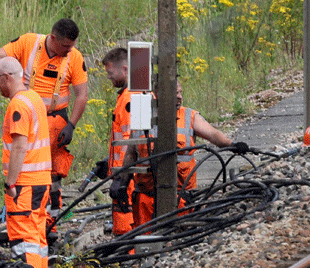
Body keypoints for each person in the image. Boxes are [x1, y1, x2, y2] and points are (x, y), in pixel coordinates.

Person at [0, 18, 88, 231]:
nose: (69, 50)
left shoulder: (74, 57)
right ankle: (22, 215)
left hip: (56, 121)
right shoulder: (29, 42)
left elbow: (82, 95)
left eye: (72, 46)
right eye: (65, 46)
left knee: (54, 175)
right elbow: (1, 54)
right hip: (28, 117)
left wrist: (71, 125)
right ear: (53, 38)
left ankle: (50, 224)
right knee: (25, 170)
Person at [119, 84, 243, 229]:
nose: (179, 96)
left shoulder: (188, 116)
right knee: (146, 244)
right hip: (145, 200)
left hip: (180, 198)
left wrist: (232, 144)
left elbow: (213, 135)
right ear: (158, 94)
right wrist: (122, 183)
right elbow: (131, 152)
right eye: (174, 93)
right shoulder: (142, 112)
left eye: (180, 92)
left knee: (180, 239)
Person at [0, 56, 52, 268]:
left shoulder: (18, 103)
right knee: (37, 238)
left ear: (7, 78)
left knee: (24, 239)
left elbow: (19, 146)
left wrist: (10, 182)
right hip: (41, 181)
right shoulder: (34, 98)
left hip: (24, 184)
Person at [101, 47, 134, 235]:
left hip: (128, 178)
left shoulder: (130, 97)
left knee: (127, 227)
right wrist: (109, 162)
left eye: (110, 73)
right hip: (124, 174)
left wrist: (122, 177)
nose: (108, 77)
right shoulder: (125, 97)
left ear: (125, 69)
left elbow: (133, 141)